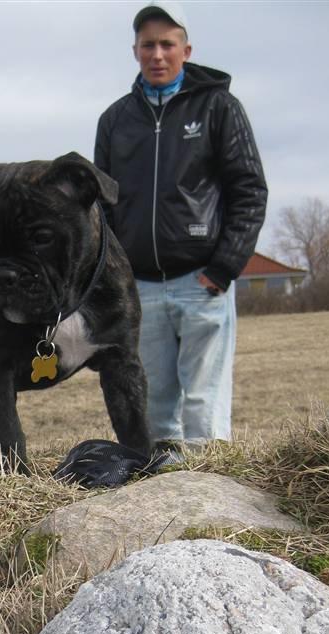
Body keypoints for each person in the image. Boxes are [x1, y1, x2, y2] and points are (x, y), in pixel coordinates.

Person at [94, 1, 268, 454]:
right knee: (152, 408)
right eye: (147, 44)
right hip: (141, 288)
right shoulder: (115, 121)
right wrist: (116, 277)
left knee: (204, 409)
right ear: (134, 50)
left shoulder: (219, 107)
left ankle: (214, 503)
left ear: (185, 50)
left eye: (167, 44)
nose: (157, 54)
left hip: (202, 281)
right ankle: (166, 504)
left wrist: (225, 266)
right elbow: (102, 208)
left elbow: (248, 189)